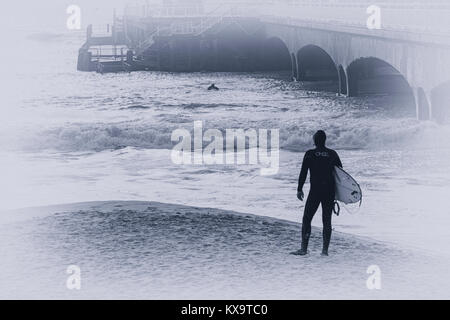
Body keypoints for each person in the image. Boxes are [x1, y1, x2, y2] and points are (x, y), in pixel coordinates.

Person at [291, 130, 342, 256]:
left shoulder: (310, 154)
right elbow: (341, 175)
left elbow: (303, 172)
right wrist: (338, 193)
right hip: (329, 191)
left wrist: (299, 189)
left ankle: (304, 249)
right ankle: (324, 251)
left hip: (315, 191)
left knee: (307, 219)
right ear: (325, 140)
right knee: (327, 220)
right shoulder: (332, 154)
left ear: (314, 140)